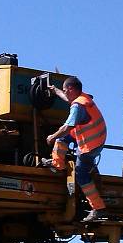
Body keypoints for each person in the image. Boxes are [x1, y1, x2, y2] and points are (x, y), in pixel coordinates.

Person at [42, 76, 108, 222]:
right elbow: (67, 99)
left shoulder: (78, 106)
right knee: (63, 138)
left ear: (71, 89)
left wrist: (52, 136)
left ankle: (98, 208)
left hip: (91, 144)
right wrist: (56, 91)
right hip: (94, 136)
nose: (65, 93)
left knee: (81, 174)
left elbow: (67, 127)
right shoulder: (82, 98)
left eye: (65, 90)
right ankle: (57, 164)